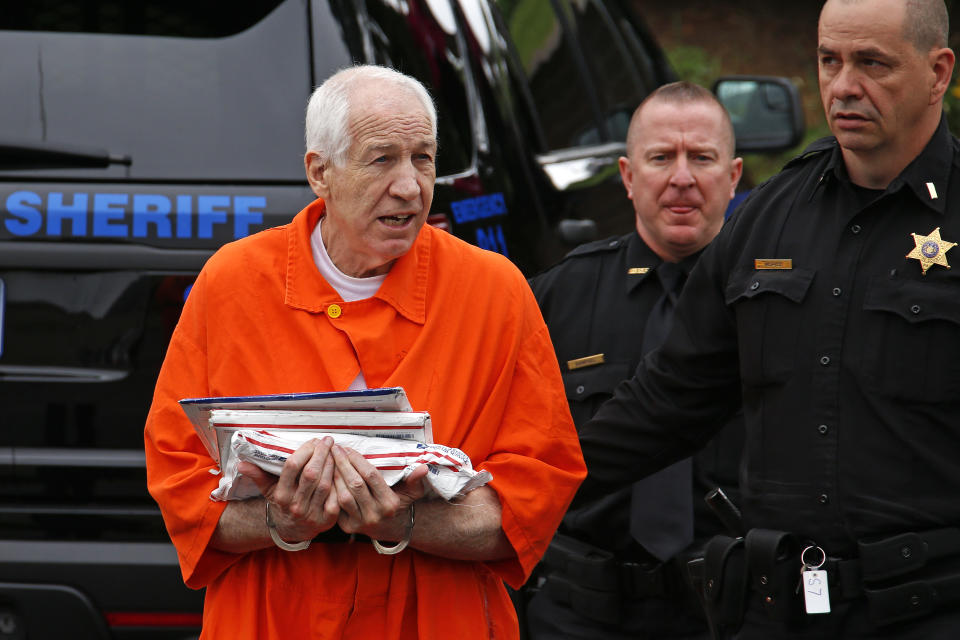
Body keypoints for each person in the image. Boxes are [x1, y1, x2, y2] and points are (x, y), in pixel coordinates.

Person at [143, 65, 586, 640]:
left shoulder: (495, 292)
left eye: (423, 158)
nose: (409, 186)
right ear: (319, 172)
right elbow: (180, 490)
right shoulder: (232, 284)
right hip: (272, 620)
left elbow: (531, 504)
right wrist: (284, 518)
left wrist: (406, 517)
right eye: (382, 159)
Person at [572, 0, 960, 638]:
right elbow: (669, 399)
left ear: (938, 72)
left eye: (871, 64)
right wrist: (519, 485)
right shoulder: (770, 216)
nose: (843, 87)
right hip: (781, 611)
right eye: (829, 61)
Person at [524, 82, 745, 640]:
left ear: (734, 175)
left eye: (701, 157)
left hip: (731, 613)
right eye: (661, 158)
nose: (682, 178)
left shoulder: (770, 300)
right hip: (580, 614)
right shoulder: (556, 298)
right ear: (627, 176)